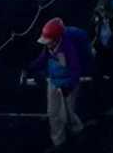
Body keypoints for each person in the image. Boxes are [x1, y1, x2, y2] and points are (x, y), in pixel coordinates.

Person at [27, 17, 89, 147]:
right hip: (54, 82)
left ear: (56, 39)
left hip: (68, 84)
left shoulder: (68, 48)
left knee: (66, 114)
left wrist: (70, 86)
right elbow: (42, 59)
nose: (46, 43)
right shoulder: (49, 47)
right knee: (53, 113)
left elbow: (75, 70)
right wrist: (29, 67)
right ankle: (59, 142)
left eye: (48, 41)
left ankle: (78, 131)